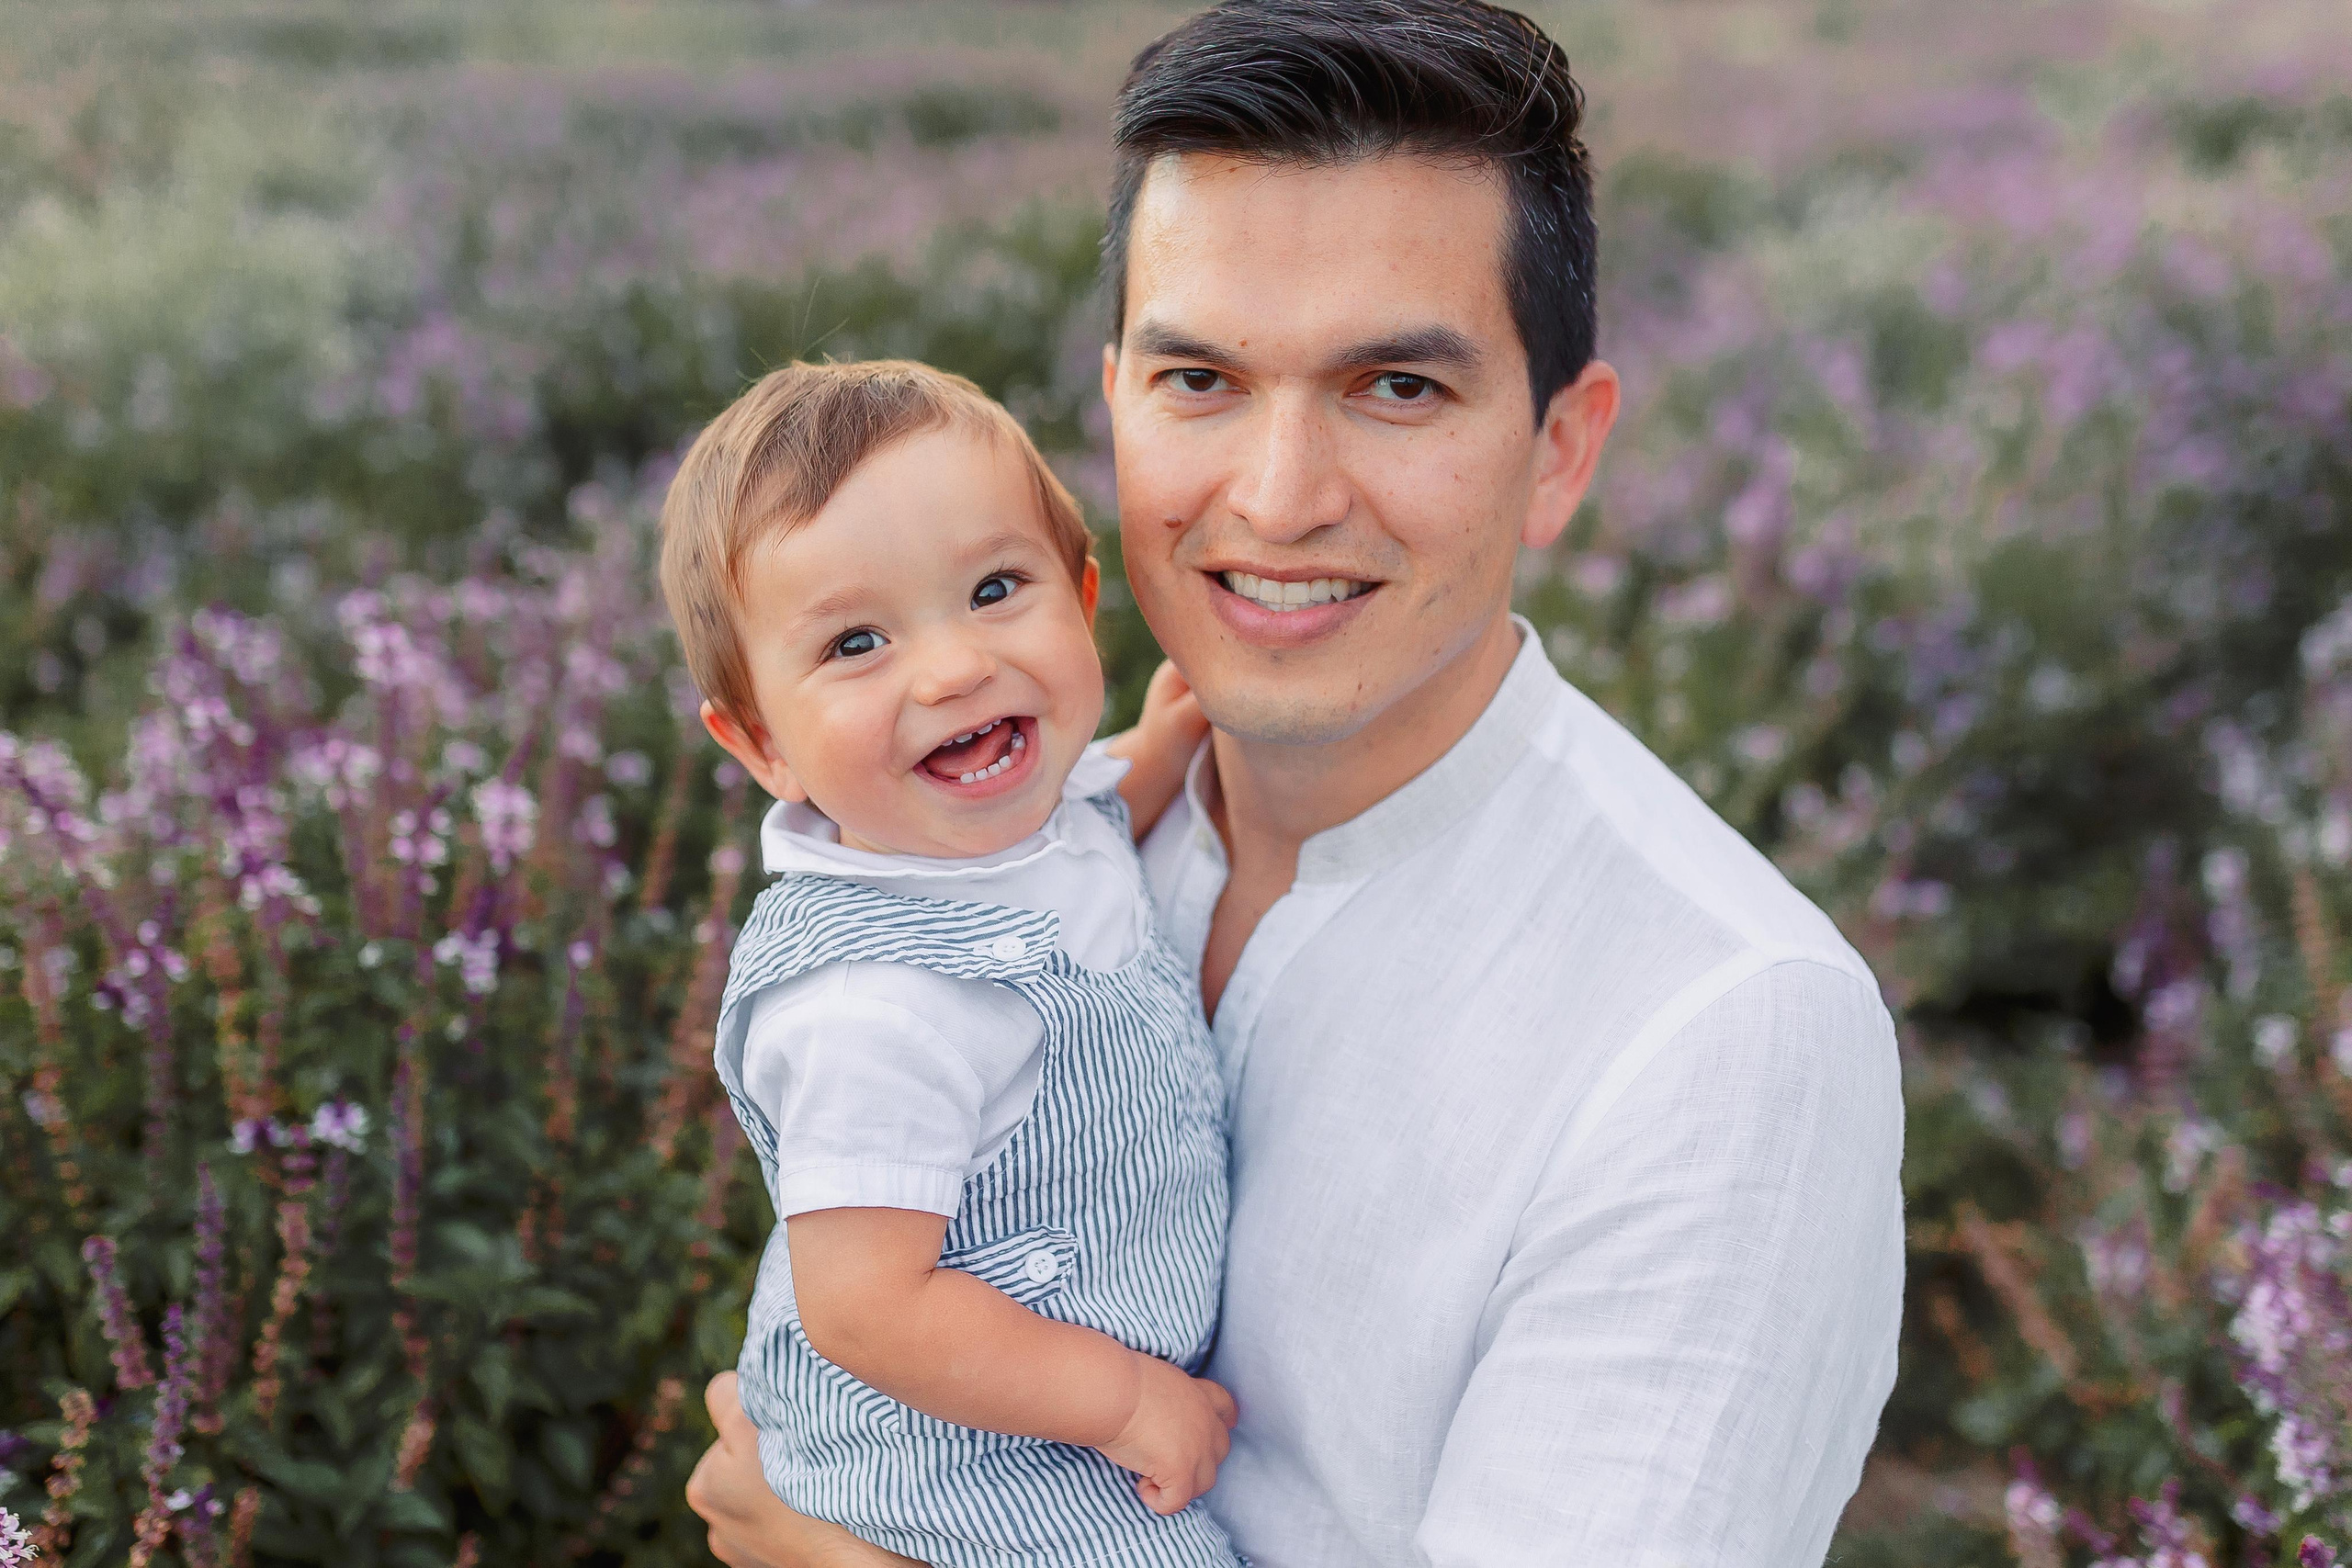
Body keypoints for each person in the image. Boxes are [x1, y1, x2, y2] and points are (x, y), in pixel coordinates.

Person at [688, 2, 1906, 1563]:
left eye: (1397, 388)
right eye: (1200, 381)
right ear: (1114, 398)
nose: (1277, 500)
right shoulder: (1033, 827)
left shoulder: (1725, 1037)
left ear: (1558, 450)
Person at [660, 359, 1252, 1566]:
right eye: (857, 641)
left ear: (1082, 598)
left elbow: (1094, 818)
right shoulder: (875, 1006)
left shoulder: (1023, 824)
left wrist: (1175, 735)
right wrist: (1129, 1403)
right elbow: (870, 1309)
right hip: (955, 1454)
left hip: (1041, 1410)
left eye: (994, 589)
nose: (952, 668)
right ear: (761, 739)